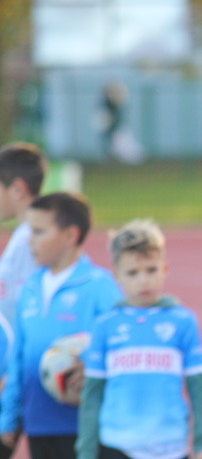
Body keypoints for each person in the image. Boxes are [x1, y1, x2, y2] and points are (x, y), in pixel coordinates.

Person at [76, 219, 202, 459]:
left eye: (151, 270)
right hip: (116, 446)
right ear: (117, 276)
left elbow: (198, 387)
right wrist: (86, 451)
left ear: (165, 269)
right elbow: (92, 395)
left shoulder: (182, 321)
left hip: (170, 447)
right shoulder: (105, 325)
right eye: (132, 273)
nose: (143, 280)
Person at [0, 193, 122, 459]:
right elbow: (19, 359)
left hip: (85, 427)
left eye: (39, 232)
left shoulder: (99, 286)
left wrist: (90, 362)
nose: (30, 240)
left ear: (70, 236)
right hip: (39, 424)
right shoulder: (31, 287)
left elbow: (119, 345)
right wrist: (9, 418)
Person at [0, 143, 47, 458]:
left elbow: (30, 314)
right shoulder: (20, 238)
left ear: (17, 189)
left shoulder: (31, 241)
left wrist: (10, 375)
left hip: (14, 377)